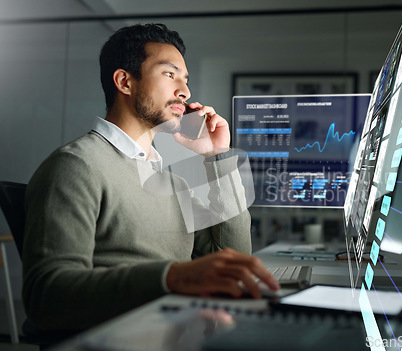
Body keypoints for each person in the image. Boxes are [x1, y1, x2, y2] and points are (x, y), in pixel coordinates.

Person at [22, 23, 279, 333]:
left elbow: (233, 259)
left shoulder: (172, 183)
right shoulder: (76, 166)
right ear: (124, 82)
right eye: (170, 75)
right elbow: (45, 298)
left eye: (185, 80)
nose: (184, 92)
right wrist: (171, 278)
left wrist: (217, 157)